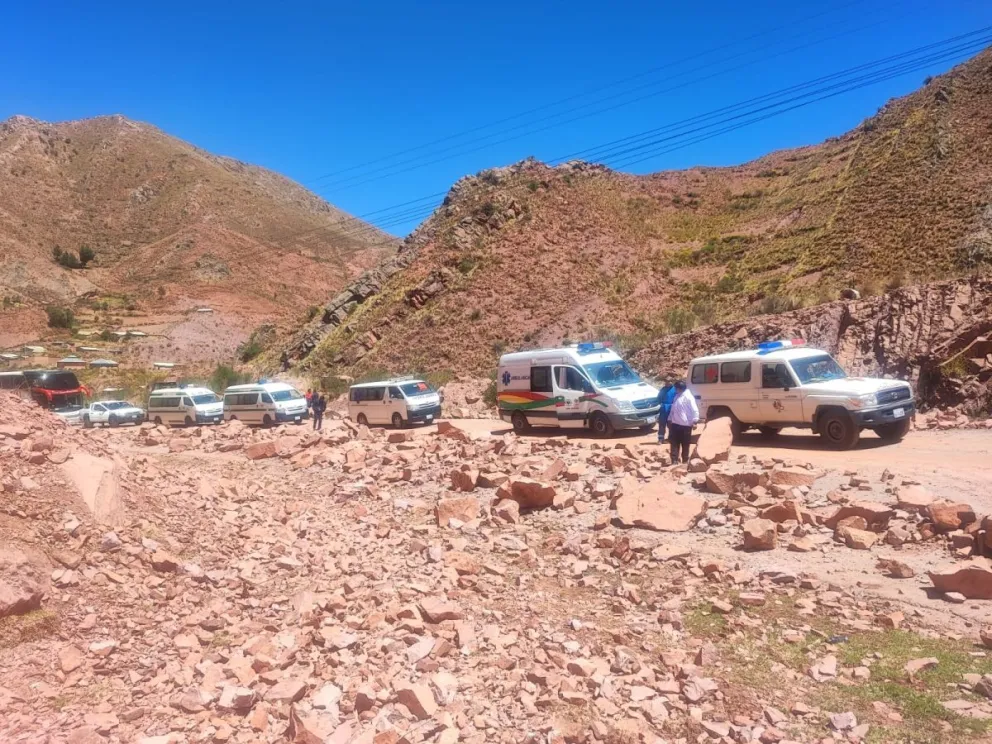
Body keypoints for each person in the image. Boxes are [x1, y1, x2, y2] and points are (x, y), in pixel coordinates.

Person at [667, 380, 699, 465]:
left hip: (686, 425)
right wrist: (670, 418)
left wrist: (695, 421)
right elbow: (673, 409)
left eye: (676, 388)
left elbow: (695, 410)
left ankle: (685, 460)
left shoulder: (689, 397)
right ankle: (674, 460)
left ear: (680, 388)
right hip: (675, 424)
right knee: (674, 443)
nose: (675, 390)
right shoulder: (677, 396)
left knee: (685, 444)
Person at [656, 375, 677, 444]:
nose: (668, 383)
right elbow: (658, 398)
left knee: (671, 424)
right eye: (667, 381)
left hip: (671, 409)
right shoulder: (663, 389)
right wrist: (661, 404)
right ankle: (660, 439)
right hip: (663, 408)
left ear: (672, 382)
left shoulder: (675, 389)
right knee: (662, 424)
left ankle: (670, 438)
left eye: (670, 381)